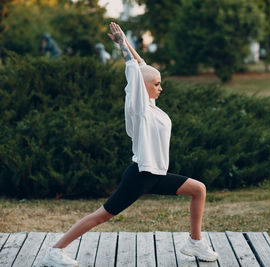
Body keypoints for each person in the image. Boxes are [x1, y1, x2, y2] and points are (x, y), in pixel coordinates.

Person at [41, 22, 219, 267]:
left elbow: (141, 64)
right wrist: (122, 46)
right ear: (142, 86)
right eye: (156, 84)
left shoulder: (151, 106)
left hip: (157, 175)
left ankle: (195, 242)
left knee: (198, 189)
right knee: (102, 216)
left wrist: (127, 42)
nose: (160, 87)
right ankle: (55, 251)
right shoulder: (138, 108)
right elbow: (134, 71)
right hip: (140, 176)